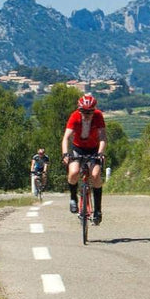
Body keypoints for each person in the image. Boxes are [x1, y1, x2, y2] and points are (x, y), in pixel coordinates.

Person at [61, 93, 107, 224]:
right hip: (78, 148)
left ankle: (97, 209)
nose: (87, 115)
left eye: (90, 112)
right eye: (84, 112)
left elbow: (103, 137)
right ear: (79, 110)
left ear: (94, 111)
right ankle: (73, 198)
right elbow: (66, 138)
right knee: (74, 172)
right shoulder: (75, 117)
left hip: (94, 148)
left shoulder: (98, 116)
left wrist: (101, 152)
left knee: (96, 174)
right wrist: (65, 154)